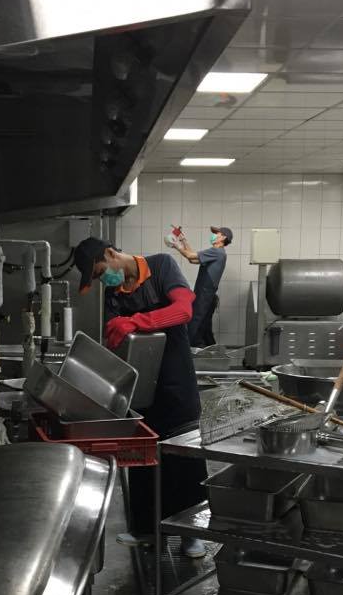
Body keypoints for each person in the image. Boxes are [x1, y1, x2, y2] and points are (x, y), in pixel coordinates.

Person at [72, 237, 207, 558]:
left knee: (183, 458)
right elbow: (115, 337)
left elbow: (183, 310)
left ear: (111, 253)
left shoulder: (161, 266)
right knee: (143, 458)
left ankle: (191, 534)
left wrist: (136, 321)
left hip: (176, 382)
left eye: (101, 272)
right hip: (142, 388)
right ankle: (147, 530)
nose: (104, 280)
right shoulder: (115, 293)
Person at [173, 226, 233, 348]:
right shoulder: (217, 253)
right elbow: (193, 259)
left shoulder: (217, 252)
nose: (214, 235)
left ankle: (188, 348)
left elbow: (190, 256)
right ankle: (208, 348)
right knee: (204, 324)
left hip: (205, 293)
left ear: (223, 237)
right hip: (206, 294)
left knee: (195, 321)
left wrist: (176, 246)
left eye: (217, 233)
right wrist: (183, 240)